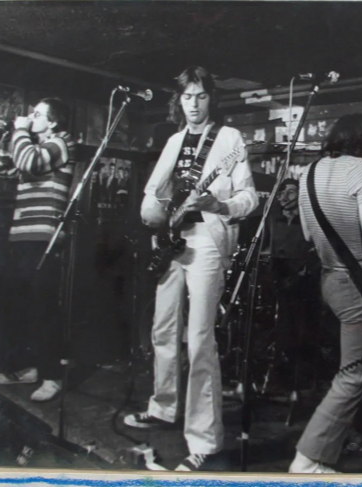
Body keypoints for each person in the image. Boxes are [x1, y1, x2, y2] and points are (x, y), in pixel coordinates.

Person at [124, 66, 258, 472]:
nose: (194, 104)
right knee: (163, 328)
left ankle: (204, 439)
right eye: (187, 97)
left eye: (201, 96)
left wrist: (220, 205)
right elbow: (153, 192)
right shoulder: (174, 140)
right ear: (178, 100)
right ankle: (163, 406)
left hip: (207, 244)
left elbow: (249, 197)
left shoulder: (229, 139)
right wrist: (153, 212)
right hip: (171, 242)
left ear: (211, 98)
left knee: (199, 339)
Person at [290, 114, 362, 474]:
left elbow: (308, 235)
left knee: (356, 364)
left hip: (330, 281)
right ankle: (308, 460)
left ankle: (339, 441)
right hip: (360, 285)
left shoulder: (309, 173)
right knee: (353, 374)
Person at [0, 97, 76, 403]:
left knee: (44, 307)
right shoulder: (32, 145)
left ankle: (52, 376)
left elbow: (30, 162)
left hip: (44, 237)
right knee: (21, 304)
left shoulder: (62, 143)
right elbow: (5, 171)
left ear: (53, 122)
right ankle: (29, 366)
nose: (31, 117)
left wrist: (20, 132)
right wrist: (8, 139)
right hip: (22, 235)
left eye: (38, 114)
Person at [265, 178, 320, 391]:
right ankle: (280, 378)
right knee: (282, 330)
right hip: (279, 280)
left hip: (304, 282)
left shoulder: (308, 219)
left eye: (290, 192)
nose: (284, 197)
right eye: (282, 192)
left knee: (303, 329)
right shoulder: (273, 218)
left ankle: (303, 381)